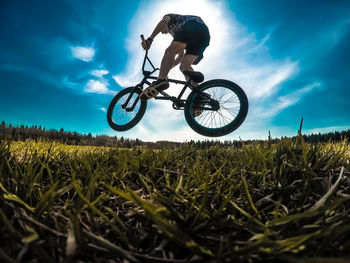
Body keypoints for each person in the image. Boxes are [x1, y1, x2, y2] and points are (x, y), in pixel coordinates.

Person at [140, 13, 210, 100]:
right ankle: (200, 95)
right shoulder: (178, 35)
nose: (161, 32)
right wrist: (165, 70)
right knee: (184, 66)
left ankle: (161, 80)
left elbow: (164, 21)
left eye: (161, 29)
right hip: (204, 36)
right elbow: (180, 57)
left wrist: (150, 39)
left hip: (193, 25)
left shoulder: (169, 18)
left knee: (169, 50)